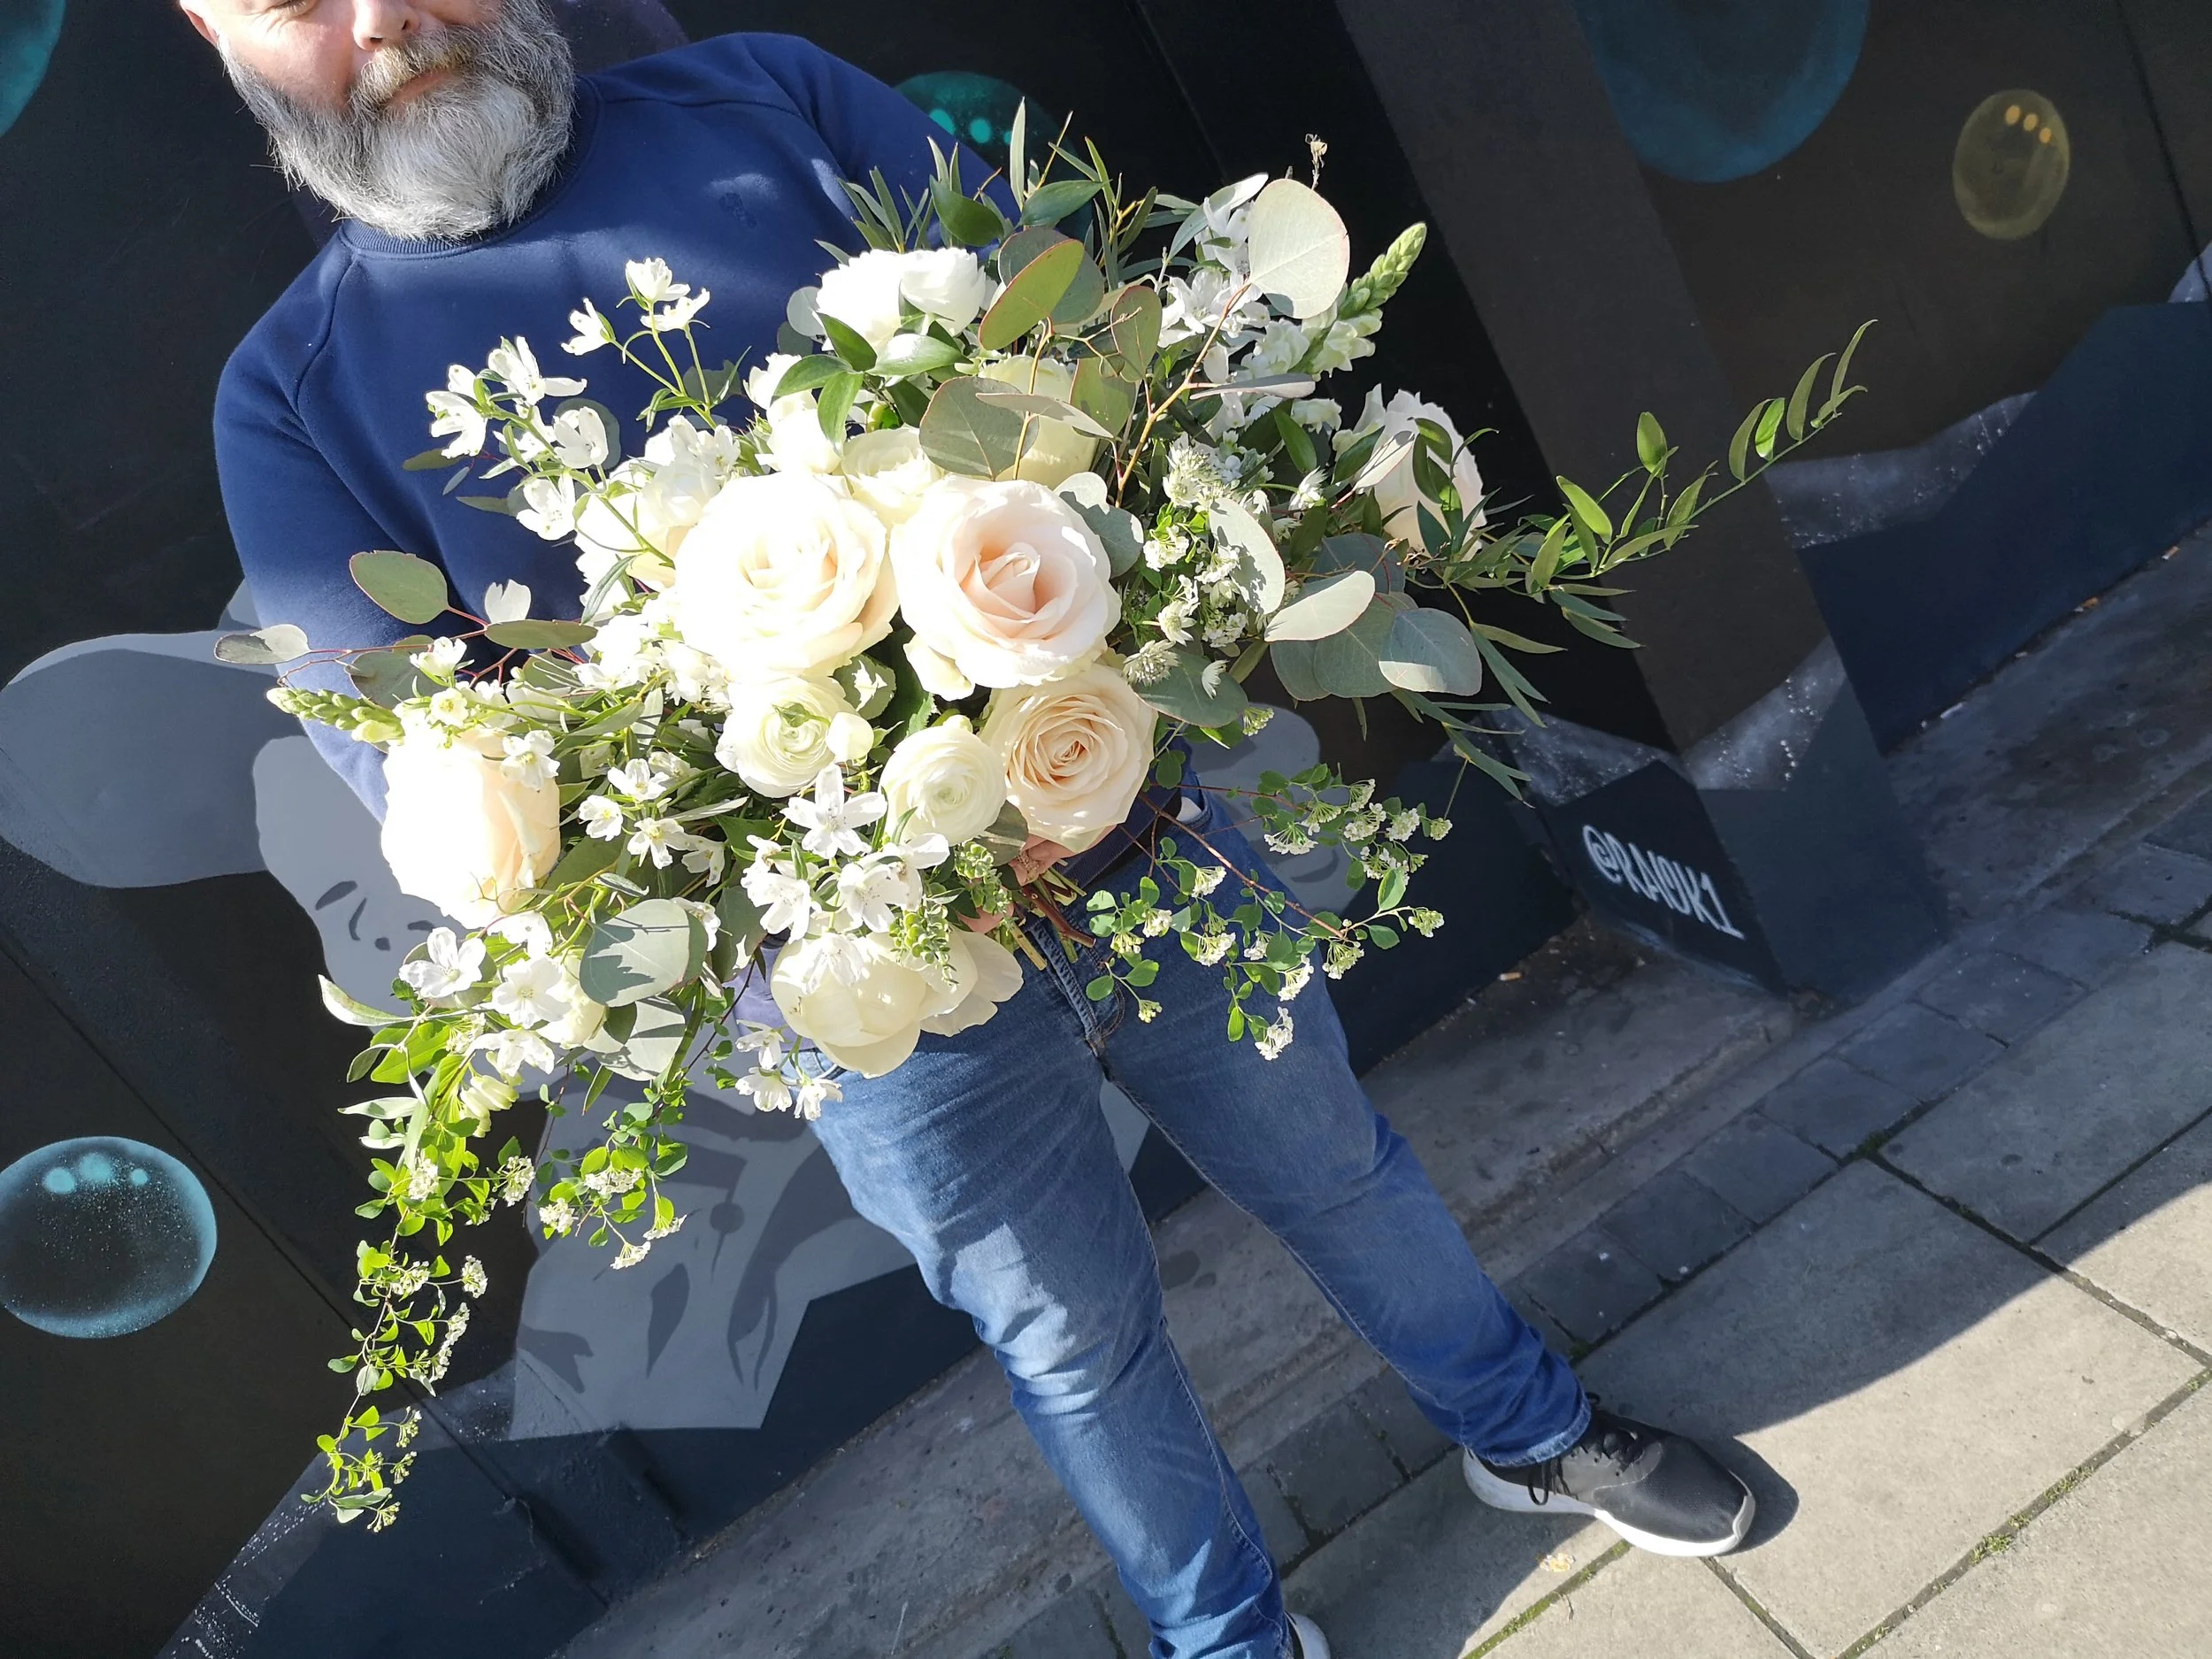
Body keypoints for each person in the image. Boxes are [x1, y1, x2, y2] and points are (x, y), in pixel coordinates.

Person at [188, 3, 1758, 1655]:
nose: (386, 21)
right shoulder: (287, 401)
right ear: (220, 37)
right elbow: (436, 780)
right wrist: (852, 860)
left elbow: (1098, 373)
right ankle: (1224, 1636)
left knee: (1337, 1164)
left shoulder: (768, 96)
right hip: (867, 994)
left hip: (1127, 816)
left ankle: (1526, 1429)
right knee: (1069, 1335)